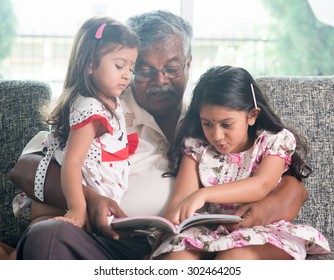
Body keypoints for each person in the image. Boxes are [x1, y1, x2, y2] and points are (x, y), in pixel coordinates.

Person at [10, 10, 308, 260]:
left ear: (188, 64)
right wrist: (90, 198)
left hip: (185, 246)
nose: (160, 80)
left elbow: (284, 180)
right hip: (108, 243)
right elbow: (25, 169)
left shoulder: (209, 120)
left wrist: (268, 206)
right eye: (145, 70)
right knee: (47, 235)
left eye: (172, 68)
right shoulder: (101, 109)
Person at [150, 66, 330, 260]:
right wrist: (168, 226)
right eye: (207, 123)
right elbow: (181, 198)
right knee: (177, 259)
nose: (216, 135)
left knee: (235, 256)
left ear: (251, 115)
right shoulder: (197, 146)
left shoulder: (272, 142)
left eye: (226, 124)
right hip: (207, 232)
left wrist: (204, 194)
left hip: (261, 229)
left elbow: (261, 185)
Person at [22, 16, 139, 229]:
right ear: (90, 65)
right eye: (119, 65)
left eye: (131, 68)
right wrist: (77, 209)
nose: (127, 75)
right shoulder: (91, 109)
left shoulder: (108, 101)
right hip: (59, 205)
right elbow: (72, 162)